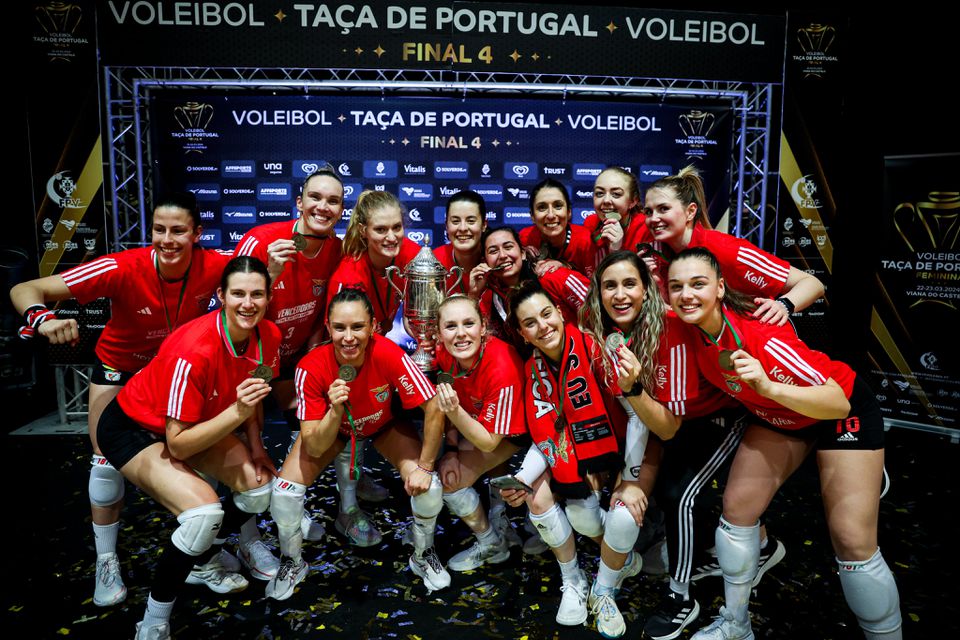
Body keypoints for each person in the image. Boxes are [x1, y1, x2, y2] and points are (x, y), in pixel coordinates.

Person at [9, 192, 238, 606]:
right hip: (121, 370)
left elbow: (256, 280)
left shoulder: (216, 265)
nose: (167, 239)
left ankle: (201, 556)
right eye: (159, 230)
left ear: (197, 234)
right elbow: (27, 287)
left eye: (178, 231)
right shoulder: (122, 266)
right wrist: (41, 318)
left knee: (200, 453)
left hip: (174, 375)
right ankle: (106, 560)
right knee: (105, 461)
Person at [667, 247, 901, 640]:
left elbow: (835, 401)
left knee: (852, 541)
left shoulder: (760, 337)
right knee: (736, 511)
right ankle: (737, 625)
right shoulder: (685, 325)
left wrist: (768, 386)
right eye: (676, 286)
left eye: (698, 284)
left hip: (836, 410)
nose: (686, 294)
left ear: (721, 289)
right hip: (778, 415)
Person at [582, 250, 786, 640]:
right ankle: (756, 546)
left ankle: (681, 597)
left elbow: (668, 425)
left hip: (716, 417)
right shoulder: (598, 334)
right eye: (610, 285)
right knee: (650, 498)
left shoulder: (668, 331)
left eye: (630, 284)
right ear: (598, 294)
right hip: (663, 428)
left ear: (647, 290)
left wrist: (632, 472)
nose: (620, 294)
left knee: (681, 495)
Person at [95, 256, 281, 639]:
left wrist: (256, 446)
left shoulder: (270, 338)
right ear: (221, 296)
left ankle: (202, 559)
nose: (248, 303)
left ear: (268, 297)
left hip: (201, 420)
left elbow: (255, 394)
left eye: (257, 294)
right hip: (134, 427)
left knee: (259, 488)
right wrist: (236, 411)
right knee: (202, 515)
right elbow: (178, 445)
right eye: (238, 294)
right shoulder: (193, 349)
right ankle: (153, 623)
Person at [235, 167, 386, 548]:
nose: (323, 206)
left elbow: (329, 306)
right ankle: (248, 537)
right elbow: (233, 310)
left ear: (341, 209)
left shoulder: (336, 249)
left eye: (333, 201)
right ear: (299, 202)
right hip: (249, 363)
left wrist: (316, 356)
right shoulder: (262, 240)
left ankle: (346, 502)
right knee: (240, 440)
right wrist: (268, 272)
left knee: (340, 404)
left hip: (293, 362)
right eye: (315, 198)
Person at [266, 288, 448, 600]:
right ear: (328, 327)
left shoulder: (390, 353)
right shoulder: (310, 367)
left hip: (382, 425)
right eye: (340, 328)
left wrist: (425, 467)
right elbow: (314, 443)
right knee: (284, 495)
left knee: (429, 487)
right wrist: (335, 409)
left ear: (373, 326)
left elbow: (433, 406)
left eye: (357, 327)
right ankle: (292, 561)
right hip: (333, 431)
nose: (348, 337)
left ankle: (422, 554)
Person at [498, 282, 646, 637]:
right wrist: (522, 477)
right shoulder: (532, 369)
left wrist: (631, 478)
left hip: (623, 452)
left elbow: (638, 415)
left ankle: (605, 588)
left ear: (560, 313)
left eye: (547, 314)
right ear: (522, 332)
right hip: (577, 462)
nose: (543, 326)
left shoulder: (593, 348)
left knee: (622, 517)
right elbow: (547, 435)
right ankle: (580, 577)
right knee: (550, 501)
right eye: (530, 323)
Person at [324, 189, 424, 546]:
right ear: (364, 230)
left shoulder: (405, 251)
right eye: (381, 229)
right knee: (353, 412)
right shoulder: (349, 275)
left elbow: (434, 263)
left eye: (397, 227)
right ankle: (346, 509)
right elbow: (340, 338)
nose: (392, 237)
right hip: (344, 351)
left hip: (377, 344)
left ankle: (359, 477)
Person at [643, 165, 824, 325]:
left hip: (753, 342)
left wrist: (783, 305)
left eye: (663, 209)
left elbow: (812, 283)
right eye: (648, 212)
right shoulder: (653, 252)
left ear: (690, 212)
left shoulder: (727, 250)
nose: (654, 218)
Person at [433, 295, 527, 571]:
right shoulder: (444, 354)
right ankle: (498, 521)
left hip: (526, 432)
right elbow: (456, 397)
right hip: (481, 421)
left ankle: (491, 544)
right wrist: (450, 450)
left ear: (483, 326)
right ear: (439, 333)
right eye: (450, 326)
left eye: (469, 323)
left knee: (451, 481)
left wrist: (454, 413)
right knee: (449, 468)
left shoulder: (502, 365)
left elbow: (488, 441)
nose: (460, 334)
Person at [471, 226, 589, 355]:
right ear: (485, 261)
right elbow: (473, 335)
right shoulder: (489, 299)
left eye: (508, 247)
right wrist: (474, 294)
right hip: (534, 369)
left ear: (522, 253)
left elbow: (596, 309)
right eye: (493, 251)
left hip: (580, 357)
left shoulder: (552, 276)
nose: (503, 255)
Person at [519, 178, 597, 276]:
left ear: (569, 212)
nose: (551, 215)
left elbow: (594, 286)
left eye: (558, 206)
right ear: (532, 216)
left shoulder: (585, 241)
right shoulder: (525, 237)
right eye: (542, 207)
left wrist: (565, 267)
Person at [583, 166, 653, 267]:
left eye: (616, 194)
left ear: (633, 201)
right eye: (599, 193)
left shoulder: (645, 227)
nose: (606, 200)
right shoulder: (590, 223)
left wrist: (617, 250)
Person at [434, 189, 488, 297]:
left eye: (471, 221)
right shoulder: (435, 262)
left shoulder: (495, 259)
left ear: (484, 225)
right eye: (455, 221)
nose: (463, 228)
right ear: (446, 226)